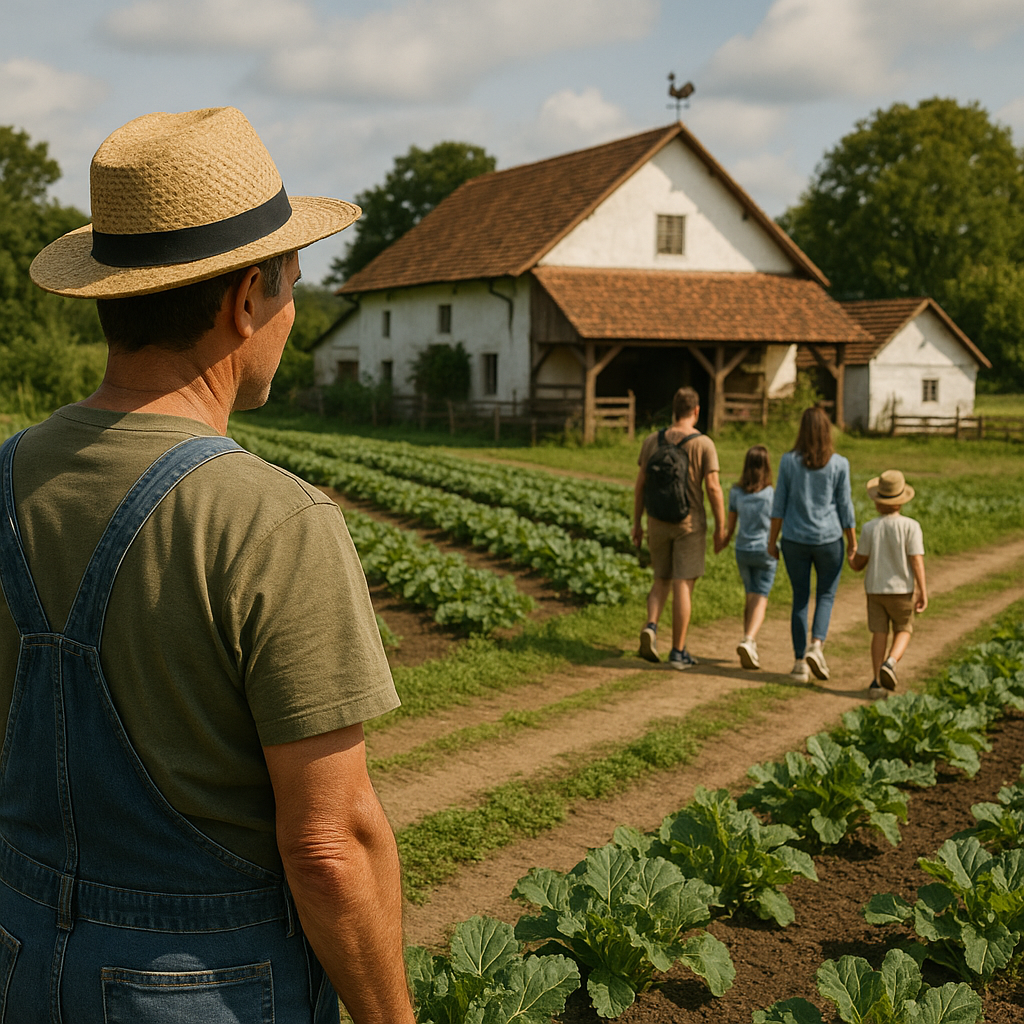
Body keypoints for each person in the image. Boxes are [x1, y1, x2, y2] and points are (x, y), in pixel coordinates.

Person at [0, 108, 416, 1023]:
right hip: (203, 988)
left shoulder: (8, 476)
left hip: (15, 956)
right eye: (291, 284)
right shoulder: (273, 520)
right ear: (245, 299)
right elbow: (328, 848)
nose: (292, 313)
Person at [633, 386, 726, 670]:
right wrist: (720, 526)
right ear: (696, 411)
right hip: (688, 523)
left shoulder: (652, 440)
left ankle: (651, 626)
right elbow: (713, 487)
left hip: (656, 521)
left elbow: (640, 485)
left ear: (673, 410)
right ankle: (678, 651)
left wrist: (637, 523)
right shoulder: (704, 444)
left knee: (660, 579)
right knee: (683, 584)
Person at [767, 406, 856, 684]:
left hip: (794, 539)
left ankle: (799, 664)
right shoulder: (839, 464)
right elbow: (845, 506)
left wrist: (772, 540)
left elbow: (779, 504)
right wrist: (852, 542)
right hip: (829, 539)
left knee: (800, 598)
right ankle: (816, 646)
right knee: (826, 595)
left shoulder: (788, 462)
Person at [849, 470, 928, 697]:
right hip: (902, 589)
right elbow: (916, 560)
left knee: (879, 632)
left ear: (877, 501)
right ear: (901, 501)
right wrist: (923, 590)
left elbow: (859, 563)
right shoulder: (911, 526)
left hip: (875, 589)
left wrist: (851, 554)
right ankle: (890, 662)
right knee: (904, 628)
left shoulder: (870, 528)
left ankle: (876, 682)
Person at [721, 445, 776, 670]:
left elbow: (731, 525)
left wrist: (722, 541)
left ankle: (748, 641)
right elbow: (778, 522)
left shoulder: (736, 492)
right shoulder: (771, 494)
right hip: (764, 549)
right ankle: (749, 639)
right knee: (761, 596)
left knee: (750, 595)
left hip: (742, 549)